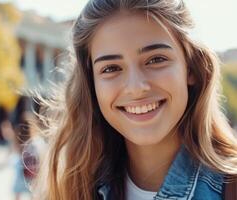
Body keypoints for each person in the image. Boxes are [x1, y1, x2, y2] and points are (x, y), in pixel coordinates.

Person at [32, 0, 237, 200]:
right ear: (91, 83)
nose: (136, 88)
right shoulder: (67, 190)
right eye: (111, 68)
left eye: (156, 59)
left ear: (190, 68)